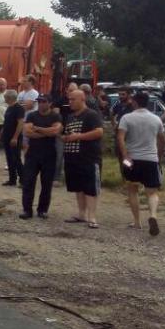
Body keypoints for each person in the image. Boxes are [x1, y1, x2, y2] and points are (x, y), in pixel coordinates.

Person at [117, 92, 165, 236]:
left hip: (132, 158)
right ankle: (152, 215)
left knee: (132, 189)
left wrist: (125, 155)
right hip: (151, 159)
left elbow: (120, 138)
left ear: (134, 102)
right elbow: (163, 140)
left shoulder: (127, 118)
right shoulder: (156, 119)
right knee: (152, 192)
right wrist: (159, 155)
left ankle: (137, 222)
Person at [62, 89, 104, 228]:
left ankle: (92, 217)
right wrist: (65, 138)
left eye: (73, 99)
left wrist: (78, 137)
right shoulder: (71, 117)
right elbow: (67, 133)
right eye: (69, 99)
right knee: (77, 187)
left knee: (90, 188)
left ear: (82, 99)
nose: (70, 102)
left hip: (88, 157)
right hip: (72, 157)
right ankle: (81, 214)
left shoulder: (91, 115)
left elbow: (99, 132)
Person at [20, 95, 62, 219]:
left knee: (46, 183)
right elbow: (27, 132)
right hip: (33, 153)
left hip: (49, 153)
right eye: (39, 101)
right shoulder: (32, 115)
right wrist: (47, 132)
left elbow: (55, 131)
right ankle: (27, 210)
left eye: (44, 101)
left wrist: (37, 129)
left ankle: (42, 210)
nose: (41, 104)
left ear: (50, 103)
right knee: (28, 182)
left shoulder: (55, 116)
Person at [0, 90, 24, 186]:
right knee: (9, 158)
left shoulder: (19, 108)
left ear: (9, 98)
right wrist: (1, 134)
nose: (4, 99)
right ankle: (12, 179)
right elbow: (6, 123)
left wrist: (15, 137)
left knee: (16, 158)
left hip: (14, 137)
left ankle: (23, 179)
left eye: (5, 97)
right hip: (7, 136)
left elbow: (20, 123)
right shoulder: (9, 108)